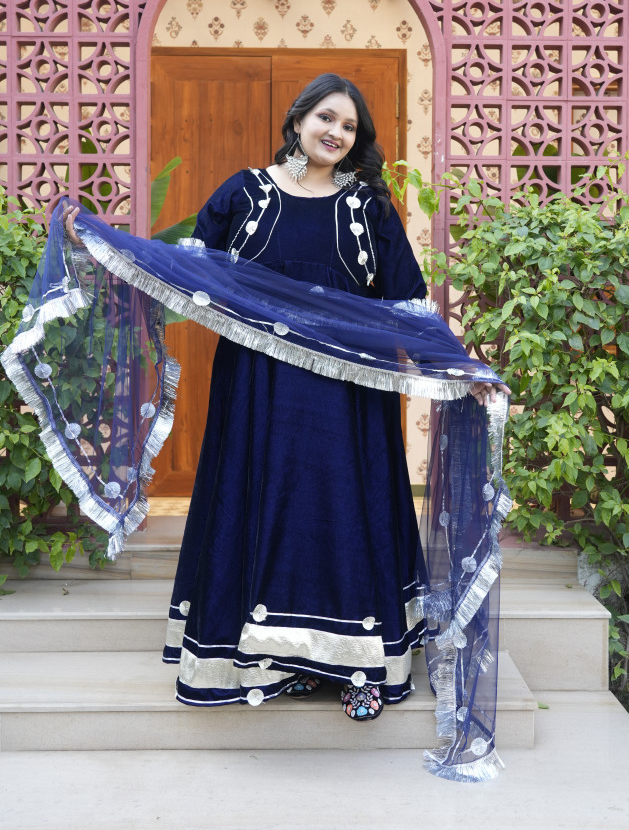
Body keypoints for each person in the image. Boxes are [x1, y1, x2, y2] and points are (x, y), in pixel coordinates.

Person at [63, 72, 508, 734]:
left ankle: (359, 668)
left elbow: (407, 303)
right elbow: (180, 265)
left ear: (355, 141)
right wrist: (99, 240)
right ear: (298, 120)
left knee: (342, 514)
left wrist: (459, 365)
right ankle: (269, 663)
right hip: (257, 395)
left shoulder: (367, 211)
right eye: (325, 117)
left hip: (348, 400)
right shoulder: (244, 194)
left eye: (349, 126)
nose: (335, 132)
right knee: (263, 506)